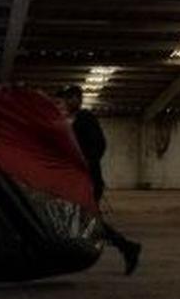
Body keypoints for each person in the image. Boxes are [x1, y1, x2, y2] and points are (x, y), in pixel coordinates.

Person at [55, 85, 142, 275]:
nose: (64, 103)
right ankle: (126, 247)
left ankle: (127, 248)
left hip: (89, 181)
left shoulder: (85, 118)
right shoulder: (74, 121)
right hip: (81, 180)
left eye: (67, 99)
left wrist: (85, 164)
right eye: (62, 99)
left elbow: (99, 145)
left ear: (77, 98)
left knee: (88, 221)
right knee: (84, 220)